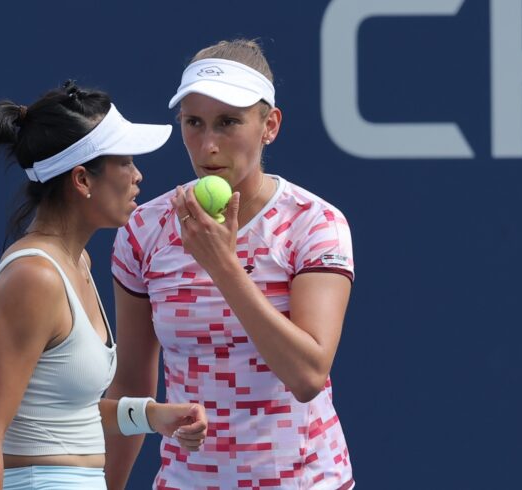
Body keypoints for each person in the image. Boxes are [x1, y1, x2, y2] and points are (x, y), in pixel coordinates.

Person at [105, 40, 357, 489]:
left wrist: (222, 265)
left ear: (269, 126)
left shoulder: (314, 224)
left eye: (228, 123)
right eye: (194, 123)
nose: (208, 145)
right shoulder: (143, 231)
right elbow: (130, 388)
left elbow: (307, 375)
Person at [0, 81, 208, 490]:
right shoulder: (35, 279)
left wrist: (149, 415)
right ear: (81, 180)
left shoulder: (78, 262)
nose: (138, 176)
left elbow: (61, 413)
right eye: (125, 162)